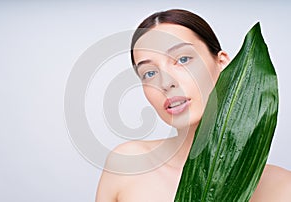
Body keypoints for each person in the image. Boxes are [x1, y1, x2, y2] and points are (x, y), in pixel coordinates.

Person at [96, 9, 291, 202]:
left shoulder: (282, 187)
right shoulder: (127, 164)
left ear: (222, 62)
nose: (166, 82)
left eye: (182, 59)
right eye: (149, 73)